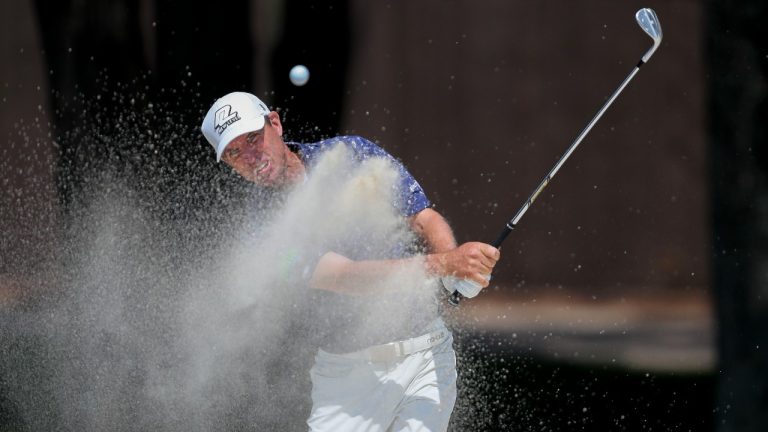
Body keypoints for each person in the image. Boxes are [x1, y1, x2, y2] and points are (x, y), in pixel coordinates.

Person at [201, 91, 500, 431]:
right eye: (235, 153)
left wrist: (454, 268)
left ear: (275, 123)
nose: (251, 156)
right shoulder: (263, 235)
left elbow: (421, 217)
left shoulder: (351, 153)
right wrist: (447, 265)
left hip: (425, 357)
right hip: (345, 380)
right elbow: (346, 277)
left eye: (254, 139)